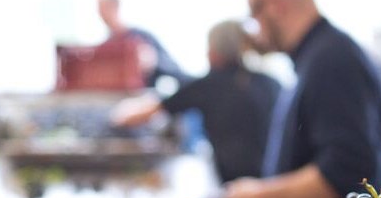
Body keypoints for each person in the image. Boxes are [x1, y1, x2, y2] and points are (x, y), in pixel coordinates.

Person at [191, 0, 381, 198]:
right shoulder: (315, 58)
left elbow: (346, 174)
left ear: (274, 5)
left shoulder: (332, 60)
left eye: (254, 15)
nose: (255, 32)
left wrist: (260, 195)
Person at [111, 20, 281, 183]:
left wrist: (116, 114)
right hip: (274, 180)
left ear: (216, 51)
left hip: (236, 184)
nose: (207, 53)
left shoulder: (208, 85)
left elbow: (139, 115)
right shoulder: (271, 83)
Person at [97, 0, 194, 88]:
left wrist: (151, 62)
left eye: (104, 7)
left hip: (151, 92)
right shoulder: (106, 45)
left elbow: (171, 68)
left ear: (115, 6)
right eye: (99, 8)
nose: (101, 13)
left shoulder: (141, 37)